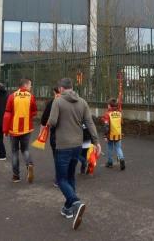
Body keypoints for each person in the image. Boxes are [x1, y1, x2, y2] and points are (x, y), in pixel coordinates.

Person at [47, 77, 100, 230]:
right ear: (72, 87)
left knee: (61, 178)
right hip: (77, 145)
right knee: (70, 176)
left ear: (61, 88)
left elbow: (52, 121)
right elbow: (89, 122)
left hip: (63, 145)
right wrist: (96, 142)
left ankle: (75, 202)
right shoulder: (82, 102)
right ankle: (68, 209)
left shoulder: (58, 101)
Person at [2, 78, 37, 183]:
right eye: (30, 85)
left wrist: (5, 130)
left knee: (14, 152)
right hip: (27, 128)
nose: (31, 87)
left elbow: (7, 114)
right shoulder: (31, 96)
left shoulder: (12, 96)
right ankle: (29, 164)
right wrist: (27, 116)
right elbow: (34, 111)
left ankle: (16, 176)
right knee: (25, 150)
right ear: (25, 85)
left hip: (14, 129)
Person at [40, 87, 61, 185]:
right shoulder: (74, 101)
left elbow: (44, 120)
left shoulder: (52, 102)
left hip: (56, 135)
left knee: (57, 157)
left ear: (54, 92)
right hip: (71, 135)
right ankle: (67, 177)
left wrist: (41, 133)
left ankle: (59, 179)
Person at [101, 98, 125, 170]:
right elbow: (121, 123)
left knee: (110, 148)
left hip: (110, 135)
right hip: (118, 133)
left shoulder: (107, 114)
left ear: (109, 106)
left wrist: (105, 135)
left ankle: (110, 162)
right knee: (118, 147)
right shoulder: (119, 113)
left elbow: (106, 126)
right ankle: (121, 159)